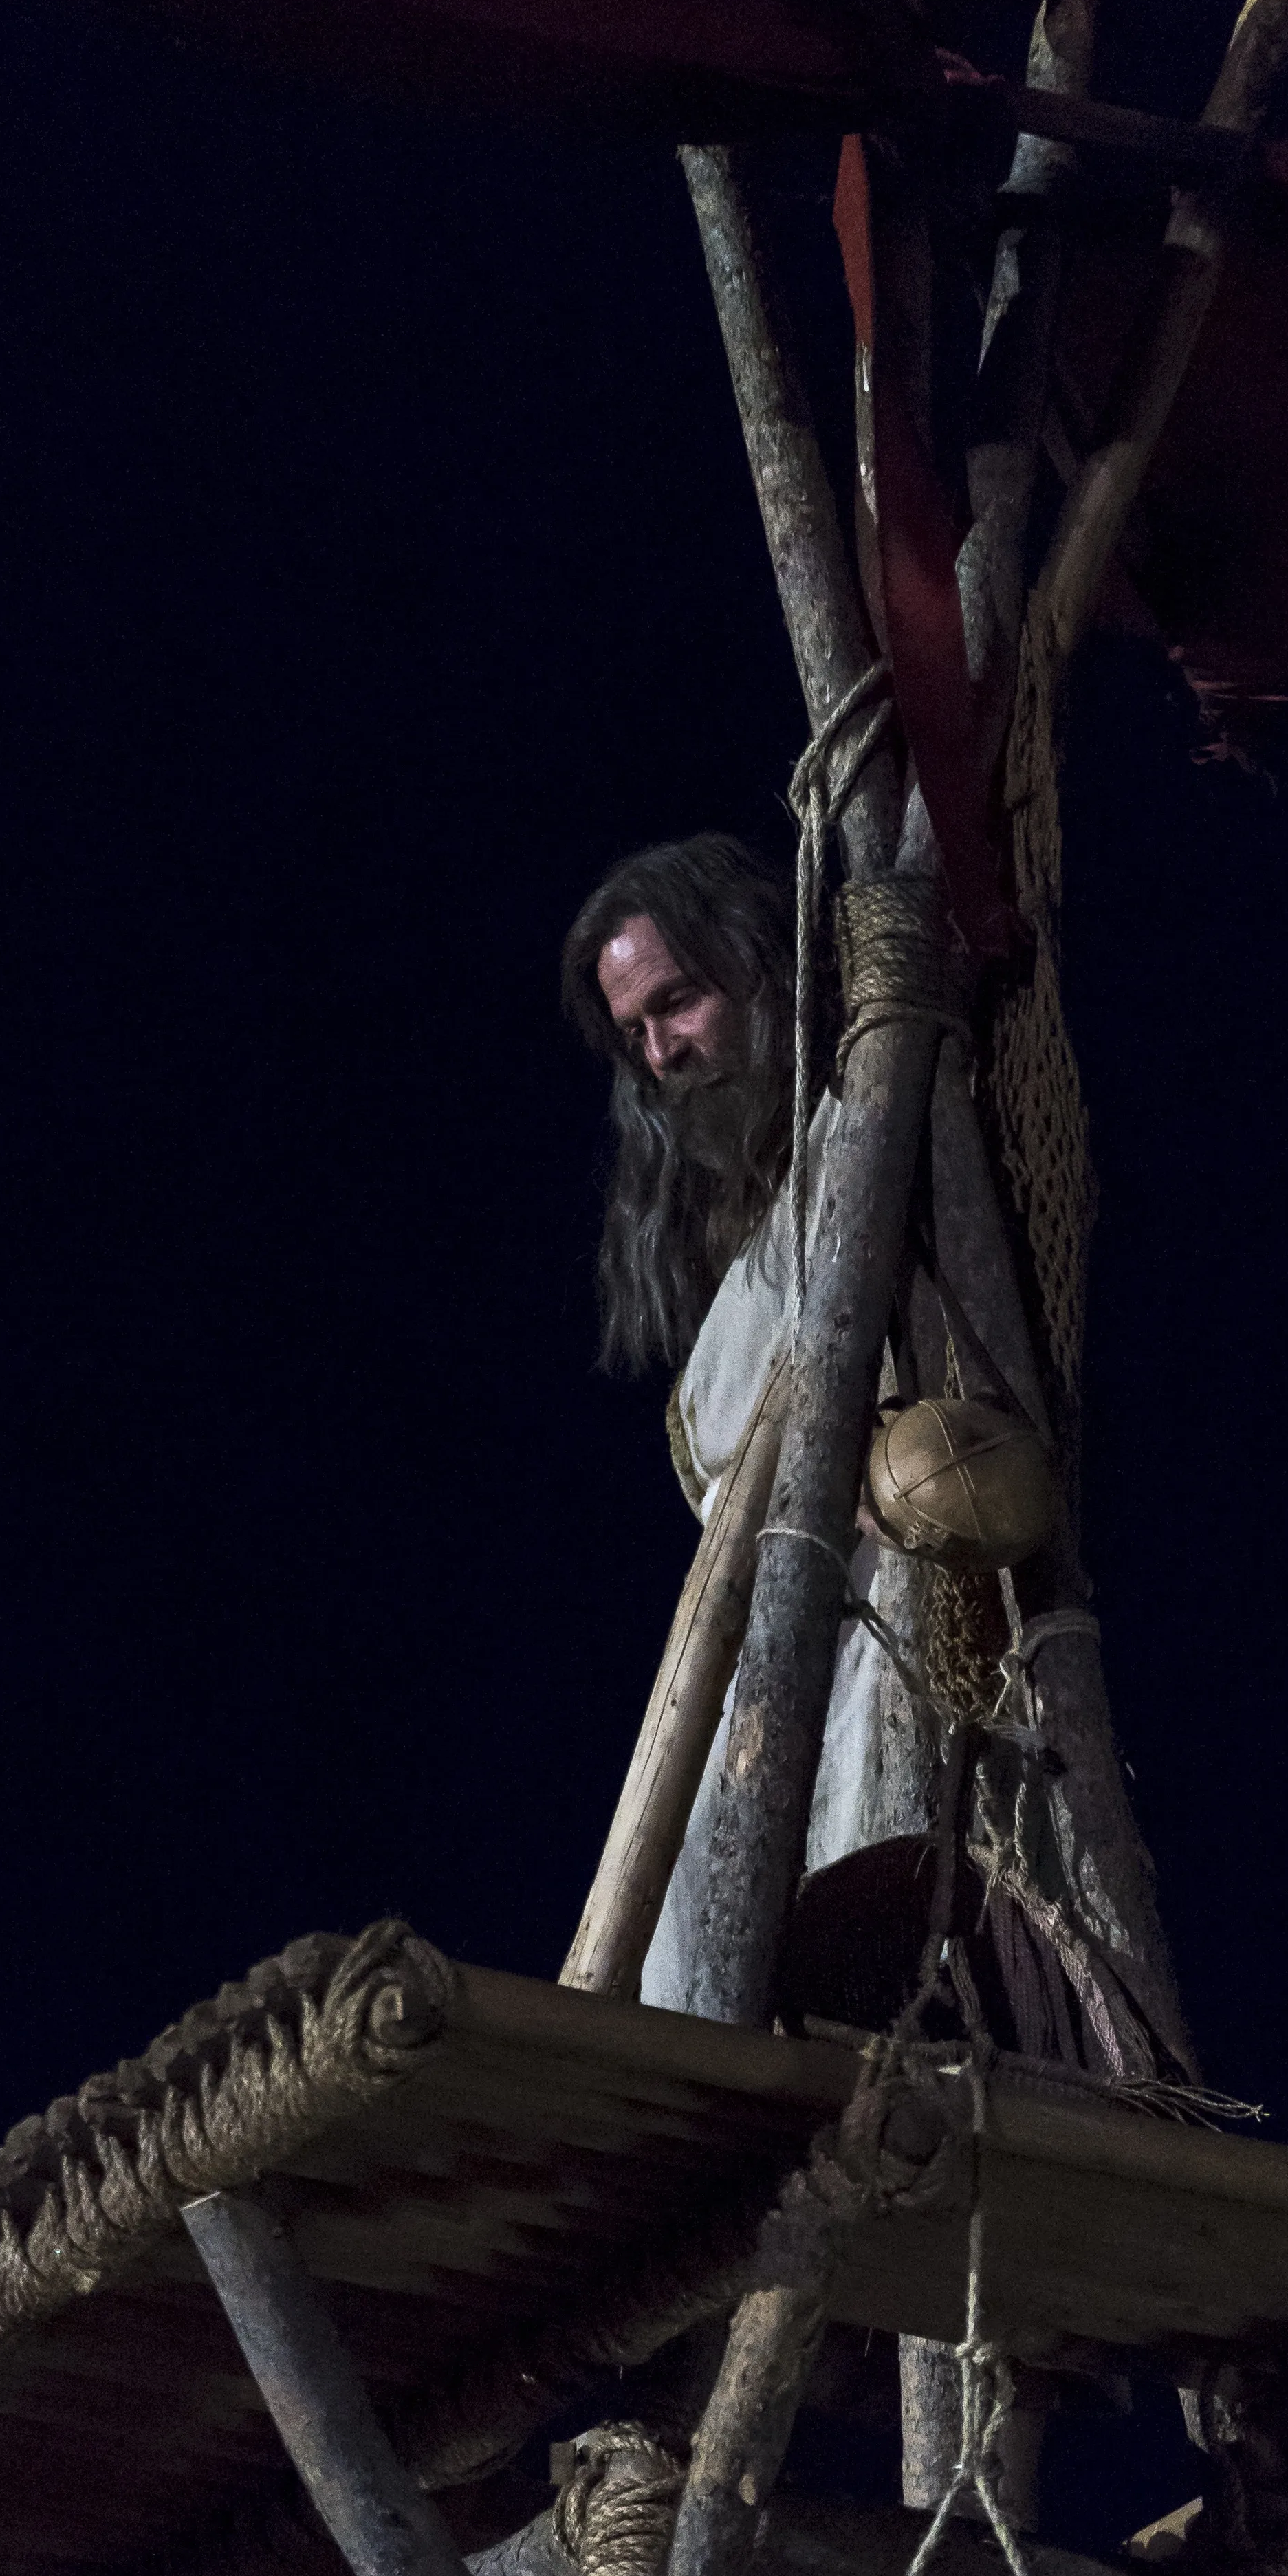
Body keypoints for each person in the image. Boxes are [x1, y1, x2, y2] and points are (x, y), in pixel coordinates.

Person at [560, 836, 934, 2016]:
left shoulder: (880, 1143)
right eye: (638, 1035)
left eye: (679, 1001)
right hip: (763, 1648)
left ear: (763, 968)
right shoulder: (753, 1233)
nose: (665, 1052)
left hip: (898, 1618)